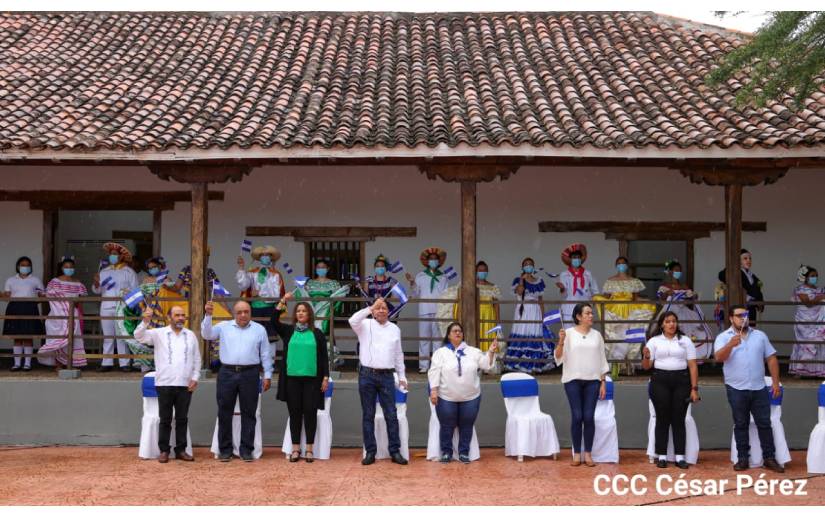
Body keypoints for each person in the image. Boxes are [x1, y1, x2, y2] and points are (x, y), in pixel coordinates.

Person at [714, 304, 784, 473]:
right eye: (739, 315)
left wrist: (775, 382)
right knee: (740, 423)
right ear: (731, 318)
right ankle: (743, 459)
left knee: (764, 423)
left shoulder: (760, 335)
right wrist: (730, 345)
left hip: (759, 387)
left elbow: (772, 359)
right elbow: (718, 358)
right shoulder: (724, 337)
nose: (743, 318)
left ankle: (769, 457)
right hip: (736, 388)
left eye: (745, 315)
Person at [201, 300, 273, 462]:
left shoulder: (259, 329)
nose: (243, 315)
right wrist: (208, 315)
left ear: (250, 313)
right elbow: (207, 335)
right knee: (224, 411)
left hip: (250, 373)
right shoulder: (224, 326)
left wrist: (267, 375)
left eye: (246, 312)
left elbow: (266, 354)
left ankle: (246, 449)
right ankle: (225, 450)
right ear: (234, 313)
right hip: (227, 372)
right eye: (239, 312)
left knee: (249, 412)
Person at [134, 305, 201, 463]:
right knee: (165, 419)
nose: (180, 318)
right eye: (177, 315)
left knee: (182, 419)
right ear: (169, 317)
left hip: (185, 384)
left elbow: (197, 358)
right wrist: (145, 321)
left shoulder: (190, 335)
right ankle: (164, 451)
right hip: (164, 383)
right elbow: (138, 336)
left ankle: (181, 450)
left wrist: (195, 377)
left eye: (183, 315)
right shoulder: (159, 333)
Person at [348, 297, 408, 466]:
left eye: (384, 308)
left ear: (389, 312)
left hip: (387, 376)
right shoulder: (364, 325)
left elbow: (398, 355)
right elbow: (352, 320)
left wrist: (402, 376)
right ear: (373, 311)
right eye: (378, 308)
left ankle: (395, 451)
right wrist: (370, 308)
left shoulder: (395, 329)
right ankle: (370, 452)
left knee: (391, 414)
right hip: (367, 375)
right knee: (368, 415)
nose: (381, 310)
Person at [271, 291, 329, 463]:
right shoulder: (288, 331)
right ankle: (296, 449)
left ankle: (309, 449)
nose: (301, 313)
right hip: (292, 379)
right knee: (294, 413)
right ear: (295, 315)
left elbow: (324, 357)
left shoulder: (317, 333)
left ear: (309, 314)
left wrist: (325, 377)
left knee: (310, 413)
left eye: (304, 311)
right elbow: (273, 321)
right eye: (298, 311)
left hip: (312, 379)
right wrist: (283, 301)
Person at [428, 322, 498, 463]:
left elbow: (486, 365)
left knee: (467, 425)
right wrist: (433, 390)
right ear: (448, 335)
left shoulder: (473, 351)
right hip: (446, 396)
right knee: (447, 425)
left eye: (460, 331)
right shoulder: (440, 353)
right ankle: (446, 452)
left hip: (470, 396)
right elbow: (434, 372)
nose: (458, 333)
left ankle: (464, 452)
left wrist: (491, 351)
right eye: (454, 331)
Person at [642, 311, 700, 469]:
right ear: (662, 324)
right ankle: (661, 455)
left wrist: (694, 388)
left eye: (674, 321)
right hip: (659, 380)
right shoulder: (654, 341)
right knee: (662, 418)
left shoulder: (685, 341)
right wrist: (646, 356)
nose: (671, 324)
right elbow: (646, 367)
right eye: (668, 321)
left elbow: (693, 366)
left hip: (681, 381)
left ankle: (680, 456)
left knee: (679, 419)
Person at [555, 303, 608, 467]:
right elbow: (558, 358)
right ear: (578, 317)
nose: (591, 316)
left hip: (593, 380)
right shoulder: (568, 333)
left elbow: (602, 359)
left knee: (589, 417)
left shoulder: (597, 335)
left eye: (591, 313)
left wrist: (603, 382)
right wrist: (561, 341)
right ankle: (577, 453)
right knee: (577, 416)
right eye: (587, 313)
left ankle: (588, 454)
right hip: (572, 380)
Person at [592, 256, 656, 376]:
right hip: (614, 310)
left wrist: (648, 301)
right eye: (619, 263)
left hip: (630, 310)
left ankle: (628, 366)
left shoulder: (634, 281)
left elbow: (636, 298)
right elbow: (606, 297)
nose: (621, 265)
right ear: (616, 265)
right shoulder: (610, 281)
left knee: (628, 337)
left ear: (627, 266)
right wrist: (596, 297)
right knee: (615, 336)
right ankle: (615, 365)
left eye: (623, 263)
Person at [92, 242, 139, 372]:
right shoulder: (103, 271)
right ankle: (107, 362)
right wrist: (96, 283)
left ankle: (124, 363)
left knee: (122, 335)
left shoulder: (129, 272)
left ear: (121, 256)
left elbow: (136, 291)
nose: (112, 256)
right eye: (111, 254)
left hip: (123, 307)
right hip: (106, 306)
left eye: (115, 254)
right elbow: (97, 291)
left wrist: (129, 302)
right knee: (108, 336)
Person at [653, 260, 713, 359]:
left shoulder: (684, 286)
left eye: (680, 271)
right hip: (670, 310)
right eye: (676, 270)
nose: (678, 272)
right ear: (671, 272)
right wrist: (667, 294)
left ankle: (691, 356)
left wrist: (693, 295)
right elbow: (661, 298)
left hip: (684, 311)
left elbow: (690, 297)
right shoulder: (665, 286)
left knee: (695, 331)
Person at [435, 261, 501, 351]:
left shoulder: (493, 287)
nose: (482, 272)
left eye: (484, 270)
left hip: (488, 317)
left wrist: (498, 322)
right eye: (480, 270)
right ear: (476, 271)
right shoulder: (469, 285)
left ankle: (488, 362)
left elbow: (496, 305)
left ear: (488, 271)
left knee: (488, 339)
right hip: (473, 317)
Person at [505, 257, 554, 373]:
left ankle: (533, 364)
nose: (528, 266)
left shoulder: (539, 281)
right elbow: (519, 292)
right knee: (523, 333)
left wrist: (543, 317)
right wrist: (522, 280)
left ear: (533, 267)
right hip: (523, 310)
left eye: (530, 264)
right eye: (526, 264)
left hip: (535, 310)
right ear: (522, 267)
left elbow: (541, 301)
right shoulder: (517, 280)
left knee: (535, 333)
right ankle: (519, 362)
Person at [37, 257, 88, 369]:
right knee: (59, 337)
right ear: (62, 268)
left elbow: (80, 300)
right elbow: (48, 294)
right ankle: (58, 364)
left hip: (73, 314)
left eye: (71, 267)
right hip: (58, 315)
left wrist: (79, 314)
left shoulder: (78, 283)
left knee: (72, 339)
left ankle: (70, 363)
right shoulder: (55, 282)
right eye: (66, 267)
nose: (69, 269)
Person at [406, 246, 451, 373]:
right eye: (431, 259)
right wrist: (412, 283)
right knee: (424, 338)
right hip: (424, 310)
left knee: (438, 340)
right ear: (426, 261)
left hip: (439, 310)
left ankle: (436, 366)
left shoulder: (444, 277)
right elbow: (415, 293)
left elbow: (446, 293)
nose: (433, 261)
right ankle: (424, 365)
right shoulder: (420, 276)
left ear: (439, 261)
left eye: (435, 259)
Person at [2, 256, 45, 371]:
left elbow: (42, 295)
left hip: (30, 308)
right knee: (17, 337)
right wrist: (2, 295)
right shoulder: (11, 280)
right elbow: (7, 296)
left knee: (28, 337)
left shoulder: (35, 280)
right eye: (22, 265)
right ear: (18, 266)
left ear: (31, 267)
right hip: (14, 307)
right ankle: (16, 364)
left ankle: (27, 363)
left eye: (27, 265)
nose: (25, 267)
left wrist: (42, 296)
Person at [237, 245, 286, 340]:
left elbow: (277, 294)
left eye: (267, 255)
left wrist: (259, 293)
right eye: (262, 255)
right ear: (259, 258)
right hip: (255, 308)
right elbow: (243, 285)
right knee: (255, 336)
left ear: (271, 258)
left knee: (270, 336)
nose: (265, 257)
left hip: (270, 309)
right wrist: (241, 268)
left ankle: (270, 355)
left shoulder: (276, 274)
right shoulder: (252, 272)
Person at [297, 259, 349, 334]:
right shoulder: (310, 283)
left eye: (323, 267)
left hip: (326, 311)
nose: (320, 269)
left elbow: (338, 297)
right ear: (315, 269)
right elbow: (304, 296)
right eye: (318, 267)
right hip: (311, 309)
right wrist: (299, 288)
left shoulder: (334, 283)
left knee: (325, 333)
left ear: (328, 269)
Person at [790, 265, 825, 377]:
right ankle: (800, 371)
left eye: (816, 276)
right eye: (812, 276)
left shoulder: (819, 289)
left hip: (817, 320)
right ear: (805, 277)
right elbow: (808, 303)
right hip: (803, 320)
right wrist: (820, 297)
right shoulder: (800, 289)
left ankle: (816, 372)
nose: (815, 278)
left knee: (817, 342)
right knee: (804, 343)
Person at [556, 243, 599, 323]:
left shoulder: (588, 273)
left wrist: (592, 303)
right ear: (570, 259)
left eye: (578, 257)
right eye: (574, 257)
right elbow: (564, 295)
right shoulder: (564, 274)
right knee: (569, 332)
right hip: (569, 308)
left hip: (585, 307)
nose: (576, 259)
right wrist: (562, 288)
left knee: (584, 332)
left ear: (581, 259)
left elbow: (595, 290)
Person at [718, 249, 765, 323]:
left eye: (750, 258)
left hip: (752, 307)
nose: (748, 261)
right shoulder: (736, 273)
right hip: (741, 306)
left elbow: (758, 291)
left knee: (751, 330)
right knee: (742, 330)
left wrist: (760, 302)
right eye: (745, 258)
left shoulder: (752, 275)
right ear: (739, 261)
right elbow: (721, 276)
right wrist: (733, 265)